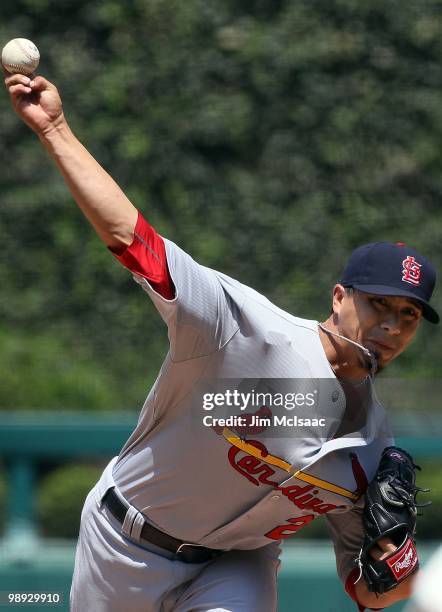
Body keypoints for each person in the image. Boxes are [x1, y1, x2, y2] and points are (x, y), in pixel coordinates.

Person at [4, 73, 438, 612]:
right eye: (379, 304)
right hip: (123, 543)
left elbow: (368, 592)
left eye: (409, 316)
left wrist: (397, 567)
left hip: (238, 565)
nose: (393, 326)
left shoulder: (372, 448)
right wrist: (55, 129)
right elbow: (132, 240)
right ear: (339, 297)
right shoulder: (243, 327)